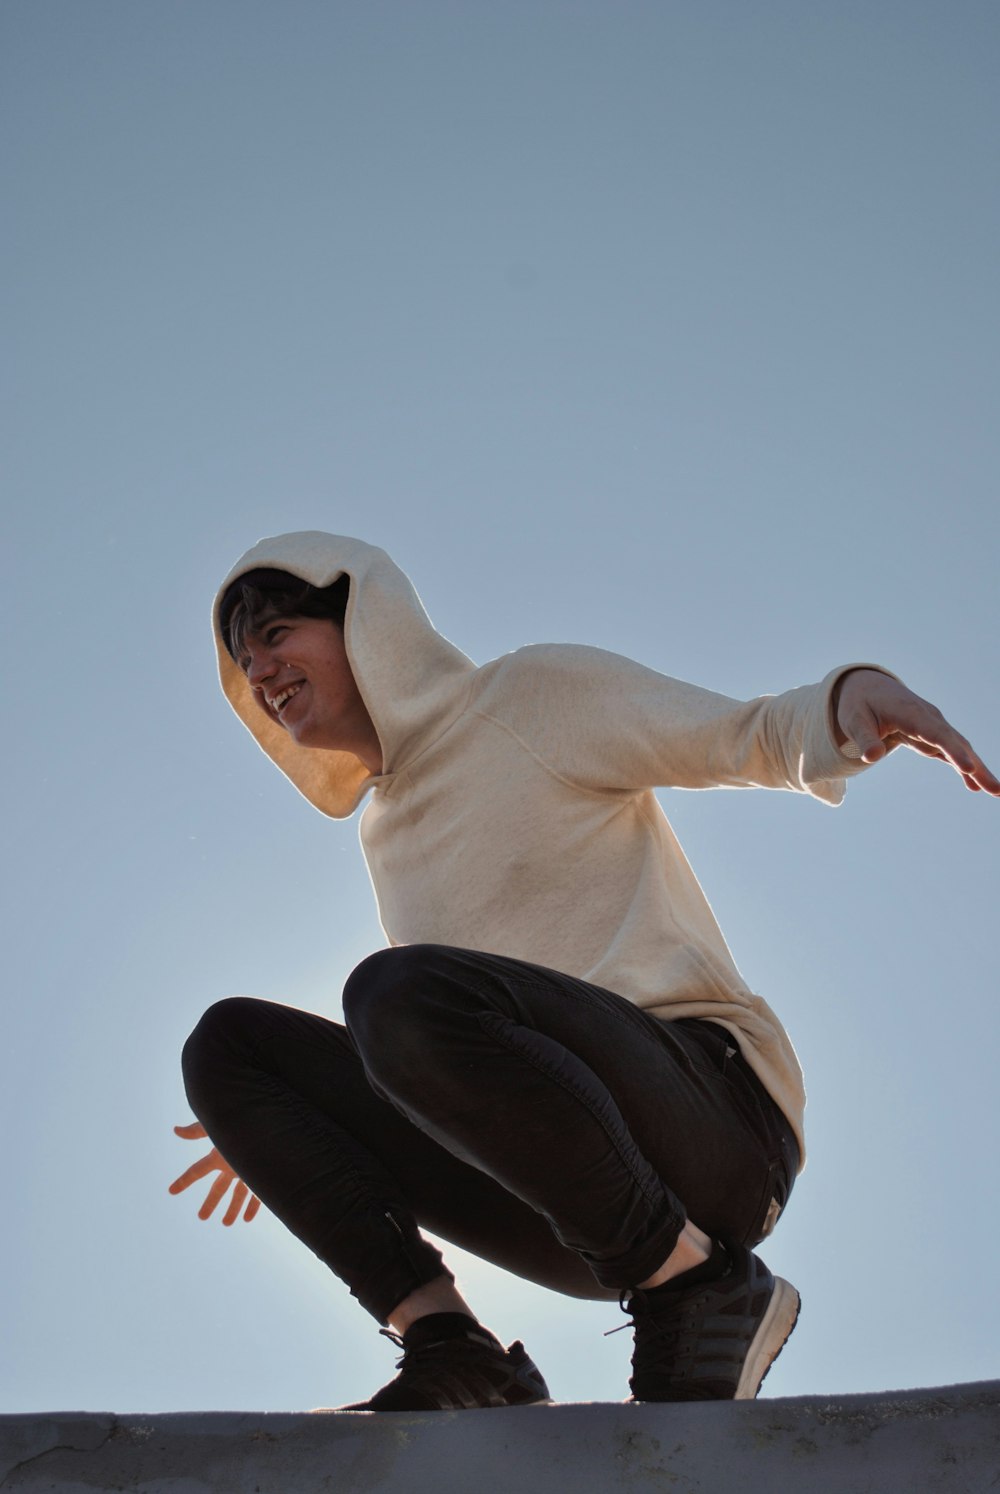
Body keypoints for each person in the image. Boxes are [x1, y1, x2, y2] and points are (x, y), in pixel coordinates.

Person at [170, 531, 998, 1411]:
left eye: (277, 633)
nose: (260, 669)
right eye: (242, 656)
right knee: (231, 1051)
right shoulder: (386, 829)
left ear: (366, 623)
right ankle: (457, 1350)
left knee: (394, 993)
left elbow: (739, 734)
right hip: (575, 1209)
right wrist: (307, 1118)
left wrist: (847, 703)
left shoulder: (526, 698)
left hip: (717, 1126)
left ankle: (702, 1288)